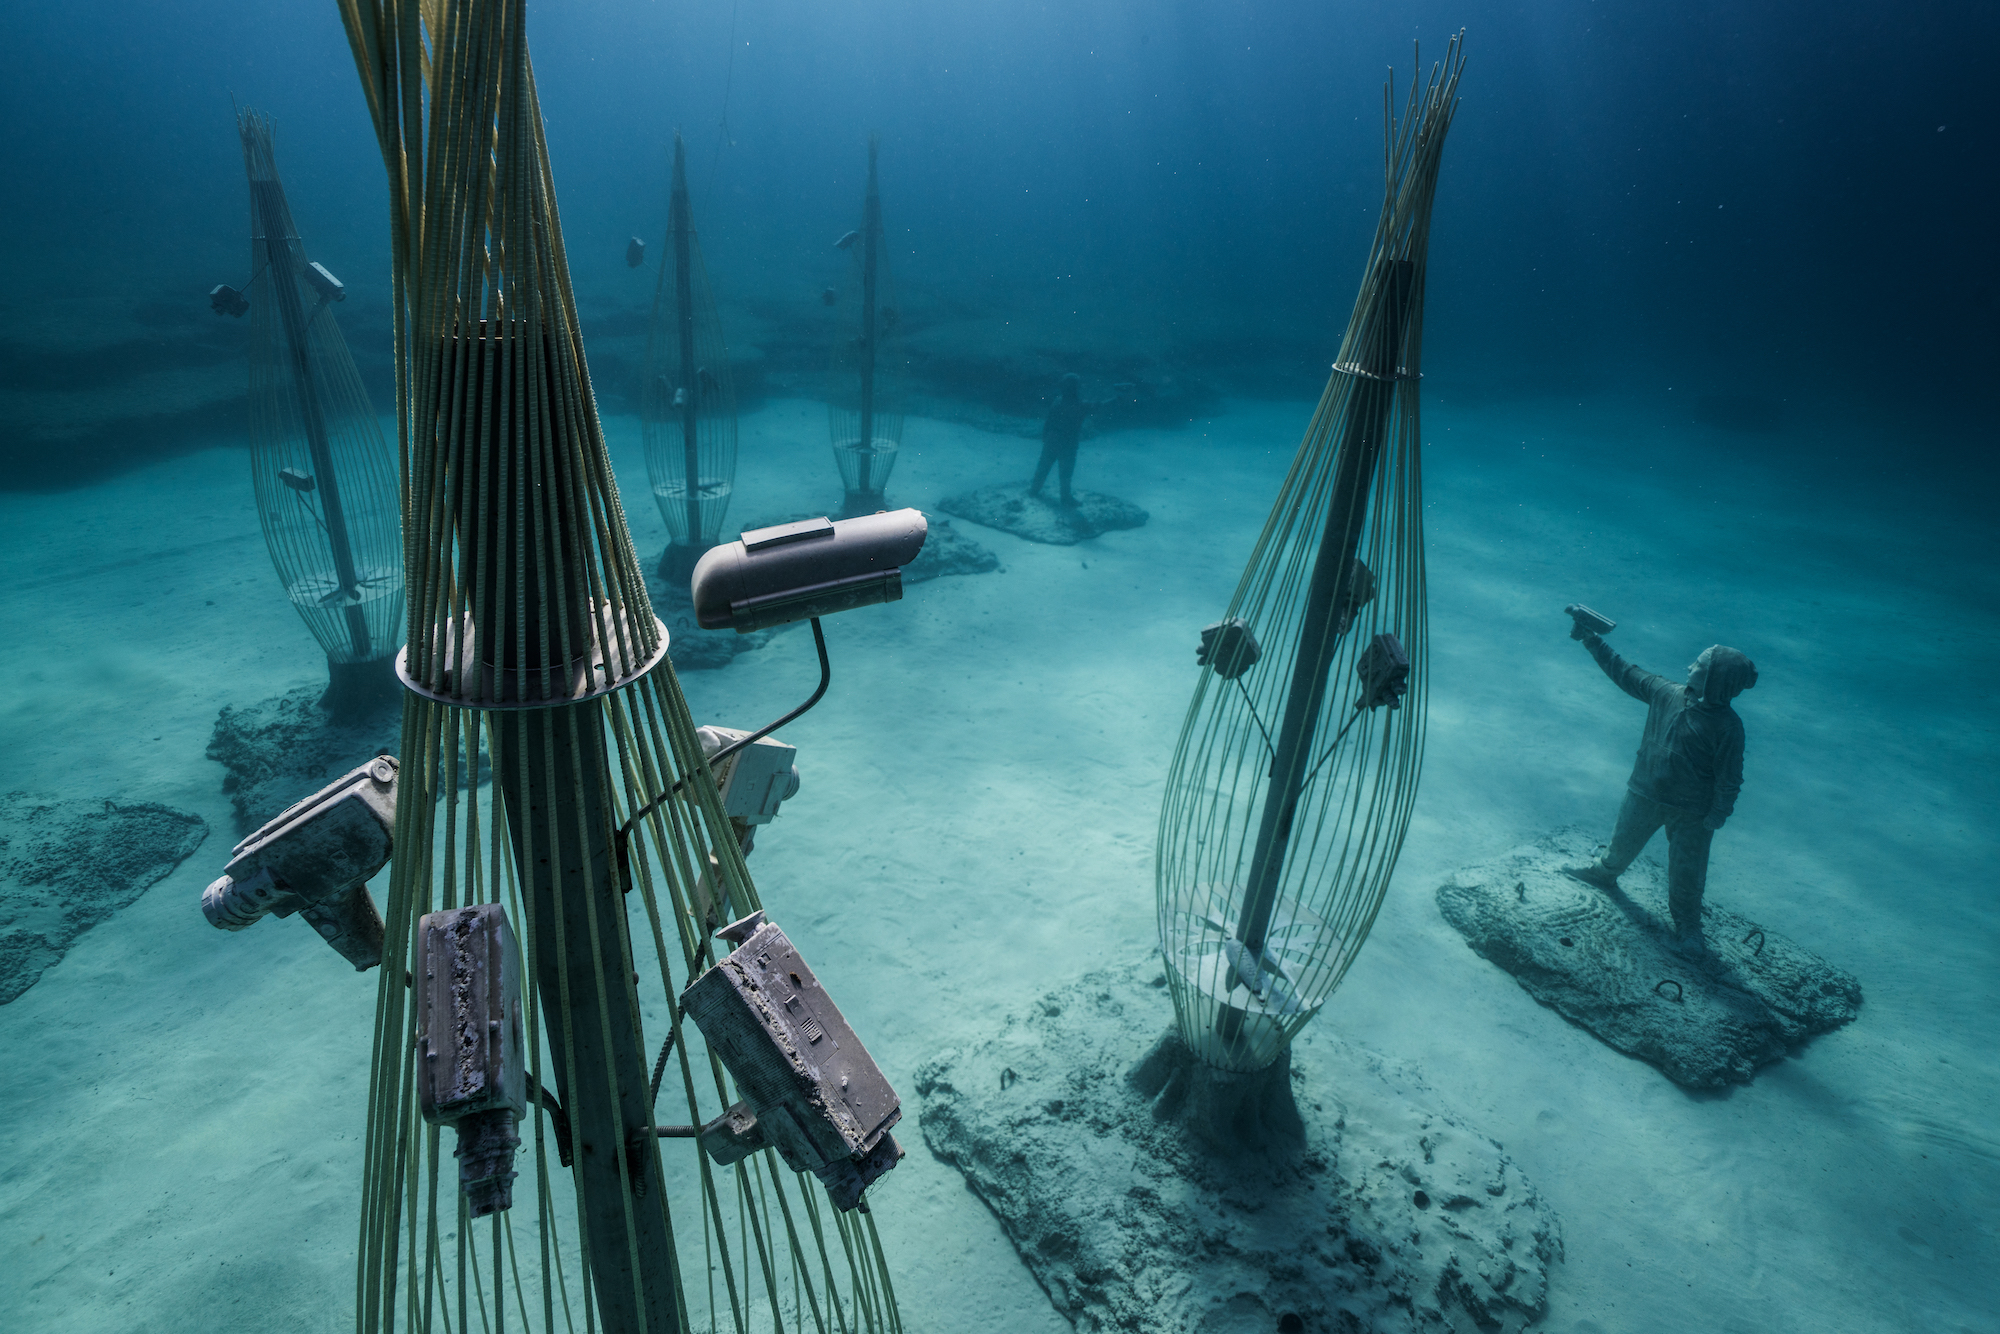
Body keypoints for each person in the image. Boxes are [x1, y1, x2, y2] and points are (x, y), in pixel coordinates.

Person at [1562, 620, 1758, 956]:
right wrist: (1591, 640)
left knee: (1687, 874)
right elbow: (1624, 672)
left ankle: (1688, 926)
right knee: (1621, 845)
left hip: (1693, 813)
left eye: (1697, 665)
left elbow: (1730, 776)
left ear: (1715, 679)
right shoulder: (1666, 693)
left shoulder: (1729, 728)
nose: (1689, 666)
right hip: (1644, 791)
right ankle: (1603, 874)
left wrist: (1718, 813)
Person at [1029, 373, 1113, 507]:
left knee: (1043, 467)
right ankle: (1065, 497)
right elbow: (1099, 406)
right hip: (1068, 442)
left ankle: (1034, 490)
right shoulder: (1081, 405)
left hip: (1052, 439)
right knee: (1066, 472)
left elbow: (1049, 421)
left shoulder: (1057, 401)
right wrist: (1117, 398)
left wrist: (1045, 437)